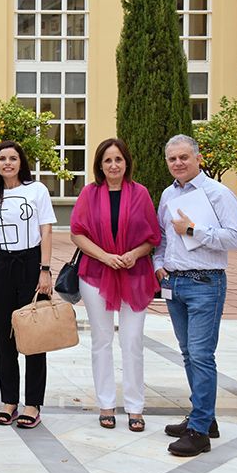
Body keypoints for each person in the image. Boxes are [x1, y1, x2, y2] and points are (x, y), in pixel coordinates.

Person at [155, 134, 237, 457]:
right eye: (172, 159)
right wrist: (158, 264)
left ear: (198, 158)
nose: (178, 163)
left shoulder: (217, 193)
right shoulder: (168, 194)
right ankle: (204, 418)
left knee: (202, 355)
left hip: (206, 283)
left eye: (184, 157)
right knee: (189, 354)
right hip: (175, 285)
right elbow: (162, 237)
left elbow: (236, 238)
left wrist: (193, 230)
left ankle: (199, 432)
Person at [70, 138, 161, 432]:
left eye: (118, 160)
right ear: (99, 165)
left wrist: (133, 254)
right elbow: (77, 234)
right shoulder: (89, 193)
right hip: (96, 274)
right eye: (107, 160)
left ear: (127, 163)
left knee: (132, 341)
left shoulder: (141, 194)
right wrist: (106, 257)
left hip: (135, 274)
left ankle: (135, 407)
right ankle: (106, 403)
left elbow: (152, 237)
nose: (113, 165)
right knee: (102, 340)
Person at [0, 140, 55, 430]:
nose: (7, 163)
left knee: (35, 336)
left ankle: (33, 404)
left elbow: (46, 231)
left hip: (30, 264)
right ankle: (9, 400)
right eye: (2, 159)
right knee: (4, 336)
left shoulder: (37, 190)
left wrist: (44, 270)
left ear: (21, 162)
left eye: (12, 158)